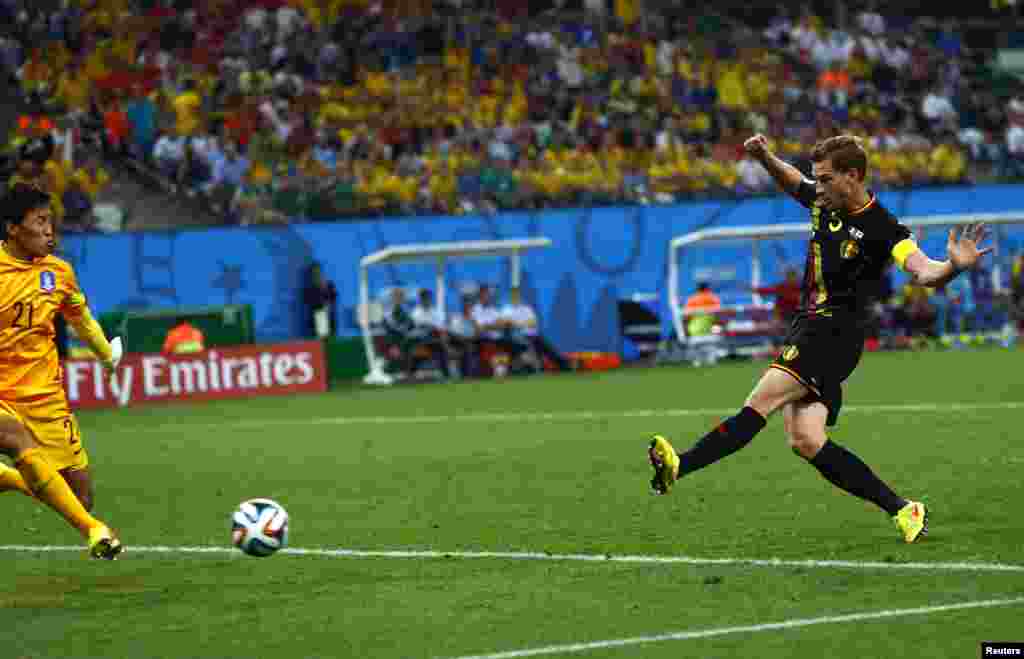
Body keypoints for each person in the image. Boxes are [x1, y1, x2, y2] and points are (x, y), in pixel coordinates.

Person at [648, 134, 992, 544]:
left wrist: (954, 266)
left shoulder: (883, 227)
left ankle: (680, 466)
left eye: (826, 179)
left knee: (760, 403)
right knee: (806, 439)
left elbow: (923, 272)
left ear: (852, 176)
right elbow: (793, 181)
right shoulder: (821, 201)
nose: (819, 187)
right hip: (811, 326)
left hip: (833, 333)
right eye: (818, 179)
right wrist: (764, 157)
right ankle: (903, 509)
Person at [0, 184, 123, 558]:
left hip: (45, 397)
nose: (49, 231)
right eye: (39, 222)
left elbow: (81, 320)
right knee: (15, 438)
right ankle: (95, 532)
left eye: (50, 222)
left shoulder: (59, 272)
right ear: (13, 229)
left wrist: (106, 357)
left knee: (80, 496)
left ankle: (19, 480)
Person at [501, 286, 571, 372]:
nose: (515, 296)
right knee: (529, 347)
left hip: (534, 334)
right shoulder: (506, 309)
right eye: (513, 295)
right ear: (510, 296)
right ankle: (535, 367)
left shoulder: (526, 308)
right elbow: (508, 323)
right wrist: (523, 324)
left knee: (548, 348)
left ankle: (565, 366)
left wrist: (519, 324)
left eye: (517, 294)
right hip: (519, 336)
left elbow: (533, 322)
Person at [303, 262, 337, 339]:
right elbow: (310, 303)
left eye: (319, 271)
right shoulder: (309, 289)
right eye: (315, 272)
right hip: (317, 320)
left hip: (330, 319)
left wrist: (325, 289)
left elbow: (333, 298)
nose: (317, 274)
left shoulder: (329, 285)